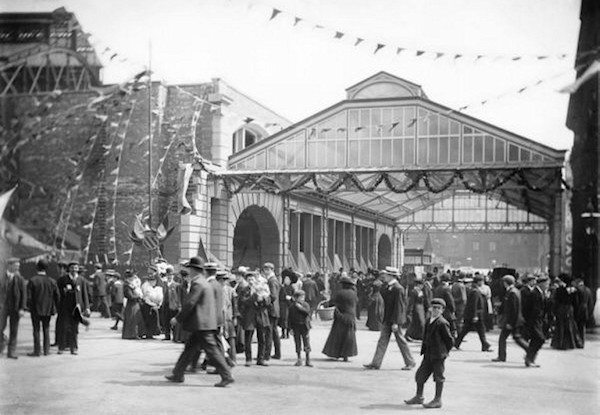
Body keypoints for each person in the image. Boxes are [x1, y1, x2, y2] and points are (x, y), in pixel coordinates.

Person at [165, 256, 234, 387]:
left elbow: (190, 303)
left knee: (212, 351)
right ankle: (178, 374)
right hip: (203, 323)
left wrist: (178, 318)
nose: (188, 271)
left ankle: (226, 375)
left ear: (193, 270)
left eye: (189, 268)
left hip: (201, 324)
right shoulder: (204, 282)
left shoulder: (197, 283)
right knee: (189, 349)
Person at [404, 298, 454, 409]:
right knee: (420, 375)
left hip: (438, 355)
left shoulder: (442, 323)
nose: (435, 310)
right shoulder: (428, 320)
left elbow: (449, 340)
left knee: (438, 377)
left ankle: (437, 399)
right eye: (433, 307)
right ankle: (419, 396)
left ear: (442, 310)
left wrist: (444, 352)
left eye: (438, 308)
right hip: (428, 354)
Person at [363, 267, 415, 370]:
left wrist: (395, 322)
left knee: (401, 341)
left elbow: (399, 307)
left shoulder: (398, 289)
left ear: (391, 276)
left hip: (395, 319)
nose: (384, 276)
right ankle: (375, 363)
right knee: (382, 340)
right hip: (388, 319)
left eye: (386, 275)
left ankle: (410, 362)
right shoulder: (389, 287)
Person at [26, 258, 60, 357]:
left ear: (37, 267)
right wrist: (56, 308)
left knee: (36, 330)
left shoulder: (32, 280)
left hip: (35, 309)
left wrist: (28, 307)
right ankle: (46, 350)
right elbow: (57, 296)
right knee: (46, 329)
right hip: (48, 309)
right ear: (46, 268)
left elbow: (29, 297)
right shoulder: (52, 281)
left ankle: (37, 351)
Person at [492, 275, 529, 363]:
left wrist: (510, 322)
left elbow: (513, 309)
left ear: (505, 283)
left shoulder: (511, 292)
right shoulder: (515, 291)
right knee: (516, 338)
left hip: (512, 320)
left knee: (505, 338)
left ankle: (502, 356)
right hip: (515, 320)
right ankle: (530, 351)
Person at [56, 262, 90, 355]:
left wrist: (87, 307)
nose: (74, 269)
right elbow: (58, 294)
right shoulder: (63, 279)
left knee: (74, 328)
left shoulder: (82, 280)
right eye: (72, 268)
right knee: (64, 327)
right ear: (69, 269)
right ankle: (61, 347)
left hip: (77, 307)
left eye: (76, 268)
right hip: (65, 307)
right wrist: (64, 291)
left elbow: (85, 294)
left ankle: (74, 348)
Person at [322, 275, 358, 361]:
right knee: (349, 335)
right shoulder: (353, 293)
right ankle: (346, 355)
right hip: (351, 316)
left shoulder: (339, 293)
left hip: (340, 316)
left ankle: (336, 353)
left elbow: (331, 303)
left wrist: (325, 304)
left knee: (338, 335)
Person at [454, 276, 492, 352]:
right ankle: (485, 345)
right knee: (480, 330)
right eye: (481, 281)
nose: (483, 283)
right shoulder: (475, 291)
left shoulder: (474, 290)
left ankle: (457, 342)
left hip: (473, 315)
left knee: (467, 330)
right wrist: (475, 315)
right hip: (476, 314)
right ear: (478, 282)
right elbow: (474, 304)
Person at [0, 257, 27, 359]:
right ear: (9, 266)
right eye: (16, 266)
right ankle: (1, 345)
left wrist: (22, 308)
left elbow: (23, 295)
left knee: (14, 330)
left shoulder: (20, 279)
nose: (17, 268)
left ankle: (11, 352)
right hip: (2, 308)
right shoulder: (2, 277)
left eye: (18, 266)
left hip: (15, 308)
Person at [524, 275, 549, 367]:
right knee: (540, 339)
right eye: (546, 284)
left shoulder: (542, 293)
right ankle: (529, 357)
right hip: (533, 321)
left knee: (535, 340)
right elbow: (528, 308)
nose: (547, 286)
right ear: (541, 284)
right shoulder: (534, 293)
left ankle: (530, 359)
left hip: (539, 321)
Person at [550, 275, 581, 350]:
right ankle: (569, 344)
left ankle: (559, 343)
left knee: (560, 325)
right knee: (569, 326)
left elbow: (556, 301)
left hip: (561, 309)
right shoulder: (574, 290)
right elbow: (576, 302)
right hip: (569, 309)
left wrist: (554, 310)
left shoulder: (559, 290)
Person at [288, 290, 312, 367]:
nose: (302, 299)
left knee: (306, 342)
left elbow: (307, 312)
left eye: (303, 297)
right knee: (297, 342)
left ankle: (308, 359)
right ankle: (299, 359)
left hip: (304, 326)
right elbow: (289, 318)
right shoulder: (292, 307)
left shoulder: (305, 305)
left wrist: (300, 308)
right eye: (300, 297)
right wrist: (290, 328)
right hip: (296, 326)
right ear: (296, 298)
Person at [263, 262, 281, 361]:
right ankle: (277, 353)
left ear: (271, 270)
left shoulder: (271, 281)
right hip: (275, 309)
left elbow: (273, 295)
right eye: (265, 269)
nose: (265, 271)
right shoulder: (274, 280)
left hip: (271, 309)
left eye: (267, 269)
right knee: (274, 332)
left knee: (269, 332)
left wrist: (265, 300)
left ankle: (267, 354)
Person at [122, 270, 145, 340]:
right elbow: (130, 296)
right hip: (131, 304)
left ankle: (137, 333)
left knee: (136, 318)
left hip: (135, 304)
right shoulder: (127, 286)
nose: (133, 278)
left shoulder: (131, 285)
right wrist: (138, 296)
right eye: (132, 277)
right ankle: (132, 334)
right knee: (132, 319)